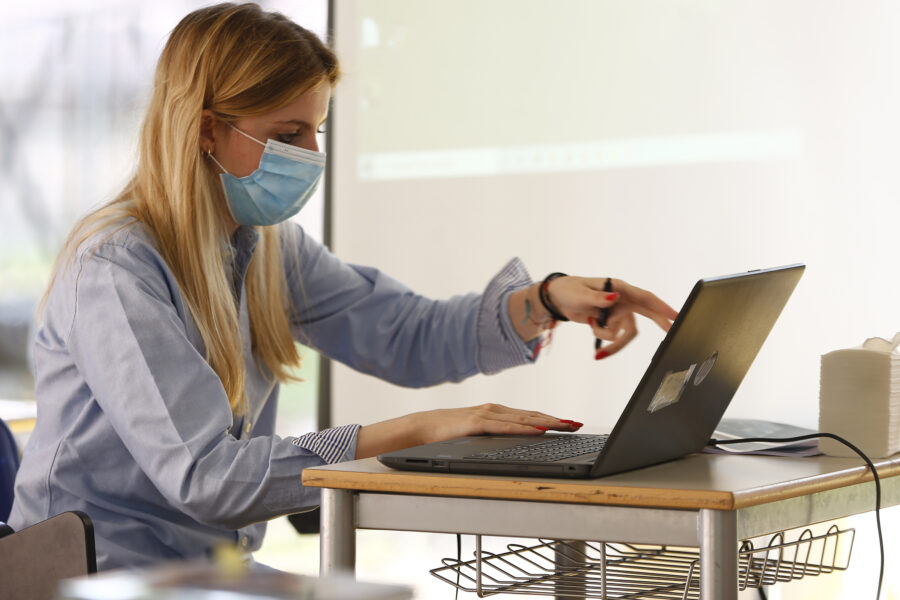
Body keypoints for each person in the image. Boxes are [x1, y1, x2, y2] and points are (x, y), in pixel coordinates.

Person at [7, 3, 678, 571]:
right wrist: (414, 431)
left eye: (318, 131)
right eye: (289, 134)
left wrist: (544, 301)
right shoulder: (116, 267)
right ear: (207, 130)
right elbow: (207, 478)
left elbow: (408, 335)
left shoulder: (266, 249)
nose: (313, 156)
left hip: (199, 571)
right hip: (90, 573)